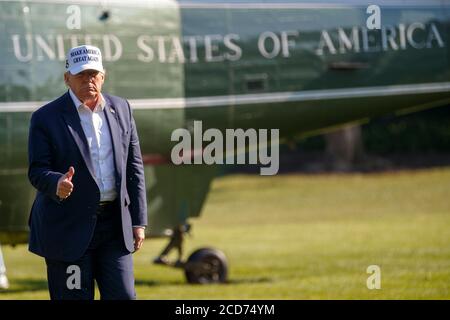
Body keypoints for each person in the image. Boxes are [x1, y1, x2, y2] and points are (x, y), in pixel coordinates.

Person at [27, 45, 147, 300]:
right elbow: (37, 170)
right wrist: (56, 182)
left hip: (114, 227)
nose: (88, 80)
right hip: (68, 228)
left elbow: (133, 168)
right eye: (81, 74)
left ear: (103, 76)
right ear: (67, 78)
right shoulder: (45, 117)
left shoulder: (122, 109)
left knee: (124, 296)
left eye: (93, 74)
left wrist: (138, 221)